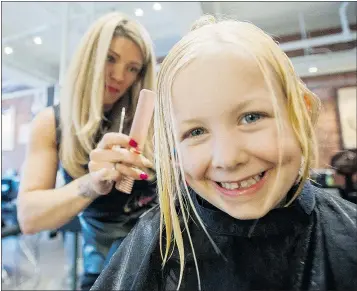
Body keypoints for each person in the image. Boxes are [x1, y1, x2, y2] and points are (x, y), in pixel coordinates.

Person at [91, 15, 357, 291]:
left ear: (299, 111)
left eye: (252, 117)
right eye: (196, 132)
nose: (228, 159)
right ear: (174, 151)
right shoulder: (154, 245)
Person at [17, 12, 157, 290]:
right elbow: (29, 217)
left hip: (163, 263)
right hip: (105, 270)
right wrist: (92, 183)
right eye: (110, 58)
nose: (119, 76)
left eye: (133, 68)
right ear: (90, 57)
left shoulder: (149, 122)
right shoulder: (51, 123)